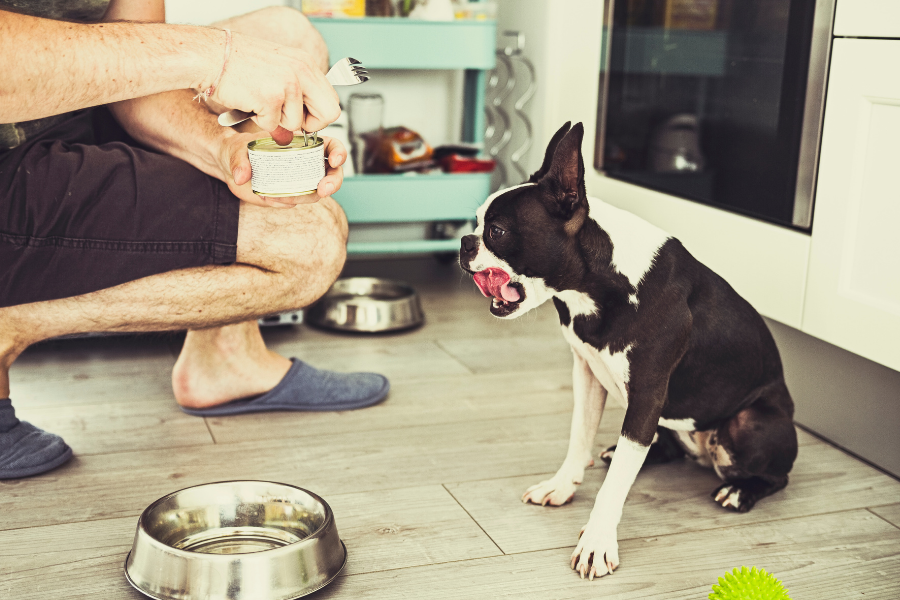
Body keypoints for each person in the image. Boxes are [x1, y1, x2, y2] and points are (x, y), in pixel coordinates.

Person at [0, 1, 390, 480]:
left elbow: (133, 82)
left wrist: (225, 151)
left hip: (70, 115)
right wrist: (216, 56)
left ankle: (226, 358)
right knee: (309, 243)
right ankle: (8, 324)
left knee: (284, 35)